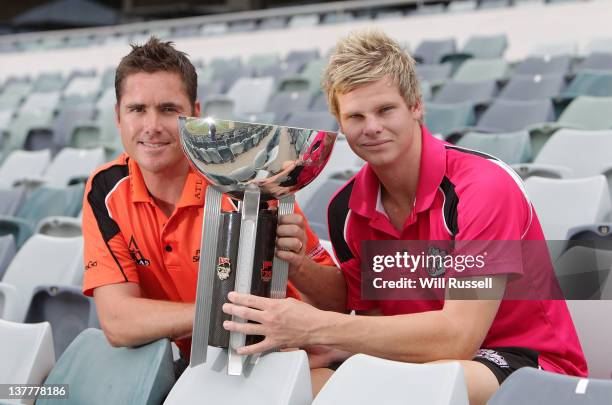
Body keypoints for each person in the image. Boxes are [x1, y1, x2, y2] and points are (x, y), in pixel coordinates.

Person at [221, 30, 588, 404]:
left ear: (415, 106)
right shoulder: (345, 207)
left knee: (407, 388)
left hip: (521, 360)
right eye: (356, 116)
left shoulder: (483, 188)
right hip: (421, 358)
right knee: (297, 383)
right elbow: (364, 304)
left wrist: (320, 330)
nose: (372, 127)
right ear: (340, 123)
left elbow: (458, 337)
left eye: (385, 110)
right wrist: (298, 265)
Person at [81, 38, 343, 373]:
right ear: (118, 117)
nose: (152, 127)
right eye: (137, 109)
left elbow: (336, 302)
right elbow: (119, 323)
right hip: (199, 369)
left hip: (289, 360)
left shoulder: (244, 178)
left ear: (195, 114)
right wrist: (224, 312)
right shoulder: (105, 190)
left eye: (168, 109)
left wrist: (299, 267)